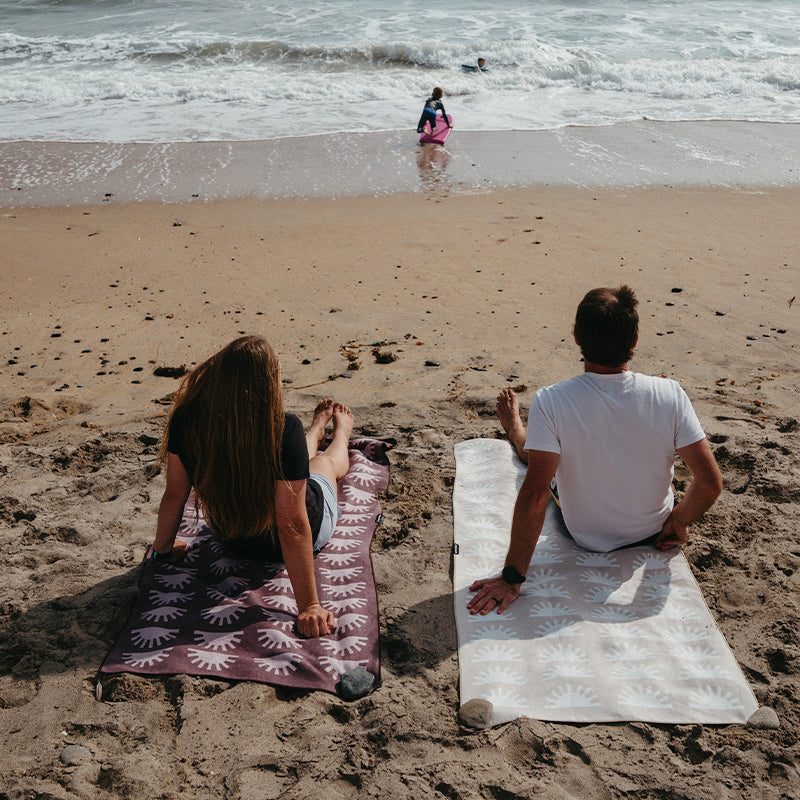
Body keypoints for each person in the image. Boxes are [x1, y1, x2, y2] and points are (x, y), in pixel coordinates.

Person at [468, 285, 723, 616]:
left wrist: (511, 579)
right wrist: (678, 520)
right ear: (634, 340)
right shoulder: (669, 394)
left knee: (545, 459)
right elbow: (710, 483)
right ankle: (520, 433)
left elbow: (536, 494)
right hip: (650, 530)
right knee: (561, 450)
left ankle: (517, 432)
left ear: (576, 337)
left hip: (586, 536)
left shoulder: (552, 400)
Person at [151, 335, 354, 638]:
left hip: (232, 537)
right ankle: (341, 434)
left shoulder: (187, 420)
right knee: (324, 464)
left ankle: (314, 432)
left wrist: (163, 550)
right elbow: (291, 524)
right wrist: (309, 605)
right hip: (302, 532)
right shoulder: (282, 428)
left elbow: (175, 494)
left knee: (299, 456)